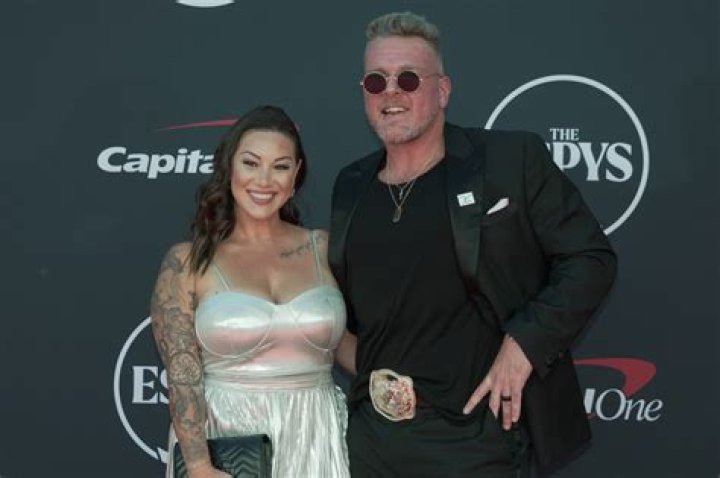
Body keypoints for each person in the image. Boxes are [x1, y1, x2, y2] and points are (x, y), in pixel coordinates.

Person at [328, 12, 617, 477]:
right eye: (376, 81)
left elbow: (590, 260)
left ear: (442, 91)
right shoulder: (351, 185)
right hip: (371, 441)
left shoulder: (509, 160)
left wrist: (523, 344)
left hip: (475, 439)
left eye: (407, 78)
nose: (391, 92)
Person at [151, 105, 354, 478]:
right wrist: (199, 466)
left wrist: (419, 370)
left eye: (280, 166)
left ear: (296, 175)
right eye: (251, 163)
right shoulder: (187, 262)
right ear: (229, 167)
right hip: (228, 444)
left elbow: (346, 348)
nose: (264, 180)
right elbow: (182, 376)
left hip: (315, 435)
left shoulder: (324, 248)